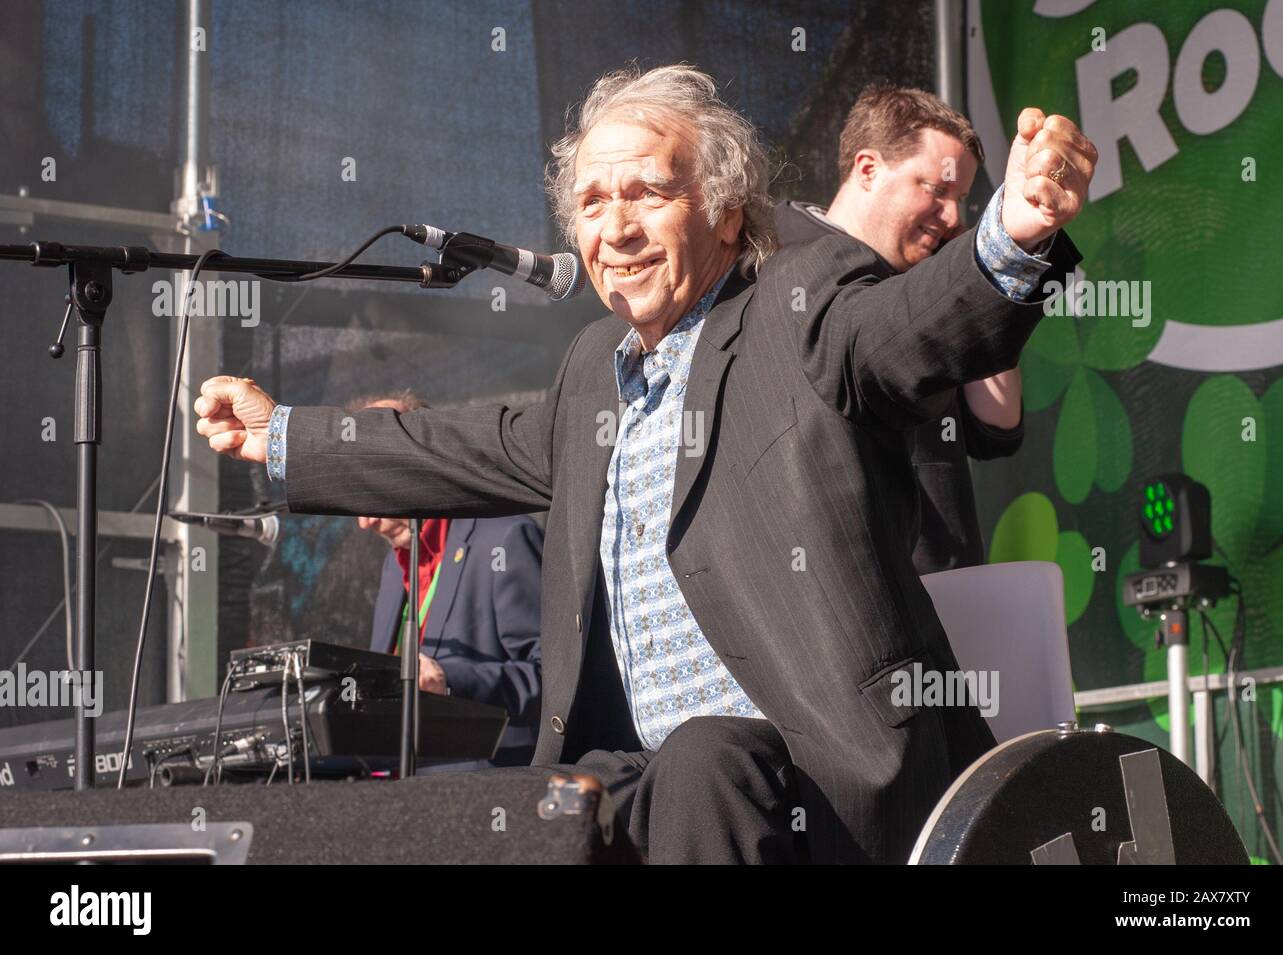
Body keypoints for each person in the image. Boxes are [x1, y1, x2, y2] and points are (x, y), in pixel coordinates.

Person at [195, 64, 1096, 864]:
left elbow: (912, 326)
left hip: (820, 773)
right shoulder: (597, 366)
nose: (615, 227)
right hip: (656, 772)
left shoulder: (800, 297)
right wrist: (281, 433)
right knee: (531, 809)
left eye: (648, 194)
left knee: (705, 757)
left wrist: (1012, 241)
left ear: (724, 209)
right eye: (592, 204)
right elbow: (468, 440)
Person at [774, 86, 1033, 573]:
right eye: (936, 190)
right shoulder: (772, 266)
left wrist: (978, 280)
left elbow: (997, 431)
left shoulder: (927, 279)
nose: (954, 216)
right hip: (840, 589)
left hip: (946, 589)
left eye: (960, 199)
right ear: (868, 169)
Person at [352, 391, 543, 768]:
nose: (365, 523)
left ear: (422, 462)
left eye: (370, 488)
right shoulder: (394, 565)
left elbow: (556, 680)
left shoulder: (504, 539)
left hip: (484, 790)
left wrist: (449, 681)